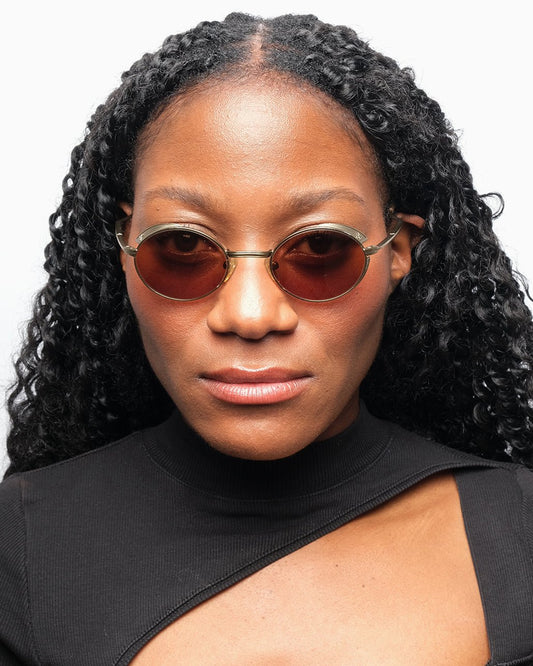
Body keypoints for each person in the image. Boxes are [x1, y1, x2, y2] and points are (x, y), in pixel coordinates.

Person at [1, 12, 532, 665]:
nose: (250, 316)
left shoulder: (520, 530)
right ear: (123, 249)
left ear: (398, 252)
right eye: (183, 247)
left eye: (319, 249)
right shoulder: (19, 551)